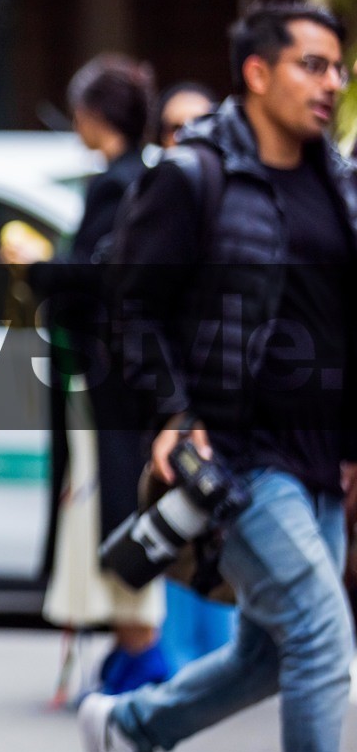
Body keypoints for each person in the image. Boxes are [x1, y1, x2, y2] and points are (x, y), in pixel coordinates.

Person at [79, 2, 357, 752]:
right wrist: (173, 411)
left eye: (338, 67)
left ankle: (131, 726)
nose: (332, 82)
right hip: (234, 454)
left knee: (272, 651)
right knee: (321, 628)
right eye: (313, 64)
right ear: (258, 73)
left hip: (320, 452)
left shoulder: (337, 181)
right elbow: (130, 307)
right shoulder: (195, 174)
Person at [11, 54, 169, 694]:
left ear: (96, 115)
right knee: (113, 509)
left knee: (111, 510)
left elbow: (98, 276)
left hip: (106, 379)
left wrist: (36, 265)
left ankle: (142, 660)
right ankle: (135, 659)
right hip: (130, 377)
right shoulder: (147, 179)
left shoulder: (114, 184)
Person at [150, 81, 240, 672]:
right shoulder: (157, 200)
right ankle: (180, 671)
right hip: (176, 412)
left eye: (200, 124)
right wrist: (173, 408)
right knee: (180, 537)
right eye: (174, 128)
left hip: (231, 412)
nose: (187, 137)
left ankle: (214, 667)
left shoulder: (237, 202)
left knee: (226, 545)